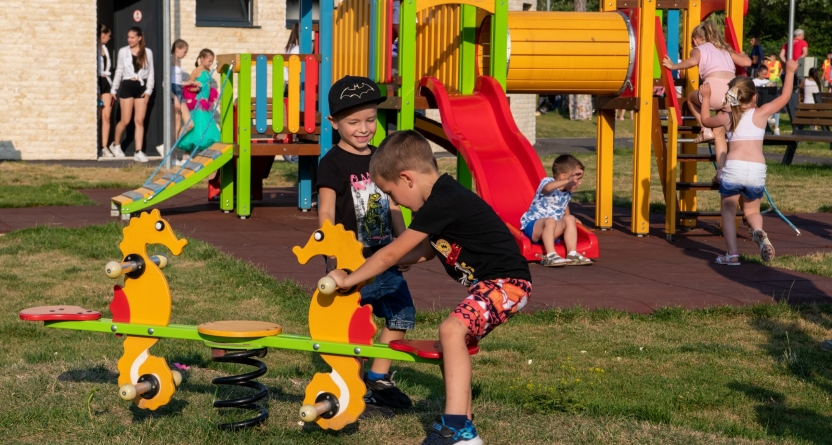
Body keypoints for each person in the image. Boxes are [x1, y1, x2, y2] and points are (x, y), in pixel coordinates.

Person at [325, 129, 532, 445]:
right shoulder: (442, 201)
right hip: (495, 286)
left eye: (391, 193)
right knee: (453, 343)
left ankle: (455, 427)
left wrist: (349, 278)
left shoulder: (442, 201)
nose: (395, 202)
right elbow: (426, 250)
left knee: (451, 331)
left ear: (407, 178)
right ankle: (465, 428)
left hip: (507, 285)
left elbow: (393, 251)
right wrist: (391, 261)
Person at [317, 75, 415, 417]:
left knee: (401, 316)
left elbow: (392, 205)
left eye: (370, 120)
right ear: (333, 122)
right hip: (350, 264)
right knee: (353, 326)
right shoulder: (332, 163)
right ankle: (351, 382)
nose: (363, 129)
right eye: (353, 122)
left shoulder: (380, 158)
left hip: (385, 257)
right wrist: (331, 257)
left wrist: (404, 243)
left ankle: (378, 378)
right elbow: (326, 209)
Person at [699, 59, 798, 266]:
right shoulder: (761, 113)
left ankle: (732, 255)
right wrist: (789, 72)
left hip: (733, 167)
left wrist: (706, 98)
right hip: (756, 170)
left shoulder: (726, 118)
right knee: (752, 211)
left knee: (728, 211)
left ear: (731, 96)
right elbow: (786, 96)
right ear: (754, 96)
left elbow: (706, 121)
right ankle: (759, 232)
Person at [662, 21, 751, 172]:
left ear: (695, 40)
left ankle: (704, 129)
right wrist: (742, 54)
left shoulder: (699, 49)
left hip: (714, 88)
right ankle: (721, 172)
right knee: (720, 134)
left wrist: (673, 66)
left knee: (690, 99)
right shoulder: (725, 49)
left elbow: (692, 62)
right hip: (732, 90)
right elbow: (747, 62)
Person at [519, 154, 593, 267]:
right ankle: (550, 256)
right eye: (577, 179)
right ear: (563, 177)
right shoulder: (547, 182)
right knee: (550, 221)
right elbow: (547, 188)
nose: (579, 182)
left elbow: (563, 205)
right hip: (534, 228)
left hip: (552, 231)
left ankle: (572, 253)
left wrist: (569, 220)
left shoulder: (567, 192)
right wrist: (569, 180)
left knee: (570, 218)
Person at [110, 26, 155, 162]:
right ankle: (115, 144)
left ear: (139, 38)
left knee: (139, 121)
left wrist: (148, 91)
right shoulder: (123, 51)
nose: (129, 39)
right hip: (127, 86)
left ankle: (138, 151)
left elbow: (151, 72)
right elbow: (119, 70)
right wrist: (113, 89)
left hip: (141, 87)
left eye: (132, 37)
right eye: (128, 37)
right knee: (125, 120)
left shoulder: (148, 52)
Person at [178, 49, 220, 155]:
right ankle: (187, 153)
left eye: (212, 61)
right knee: (199, 127)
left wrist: (212, 96)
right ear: (201, 59)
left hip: (205, 104)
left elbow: (208, 87)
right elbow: (189, 87)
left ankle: (195, 154)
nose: (210, 63)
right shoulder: (196, 71)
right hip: (198, 103)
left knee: (201, 128)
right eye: (209, 61)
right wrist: (194, 88)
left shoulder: (207, 71)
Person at [98, 25, 115, 158]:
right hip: (97, 81)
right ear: (102, 34)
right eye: (108, 35)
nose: (109, 38)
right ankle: (96, 146)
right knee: (97, 115)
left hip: (106, 81)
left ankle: (104, 146)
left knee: (107, 116)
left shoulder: (105, 49)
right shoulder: (94, 48)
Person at [170, 39, 189, 140]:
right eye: (185, 51)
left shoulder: (177, 62)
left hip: (178, 90)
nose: (185, 54)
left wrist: (191, 83)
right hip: (173, 91)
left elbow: (177, 81)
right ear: (177, 49)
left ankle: (172, 144)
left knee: (189, 124)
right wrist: (174, 97)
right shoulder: (170, 60)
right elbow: (166, 82)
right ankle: (169, 148)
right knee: (176, 124)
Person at [753, 65, 780, 135]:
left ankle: (771, 120)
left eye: (765, 74)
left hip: (767, 101)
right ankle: (769, 119)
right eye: (763, 74)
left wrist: (774, 85)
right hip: (758, 101)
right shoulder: (754, 81)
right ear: (758, 73)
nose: (764, 76)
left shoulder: (768, 81)